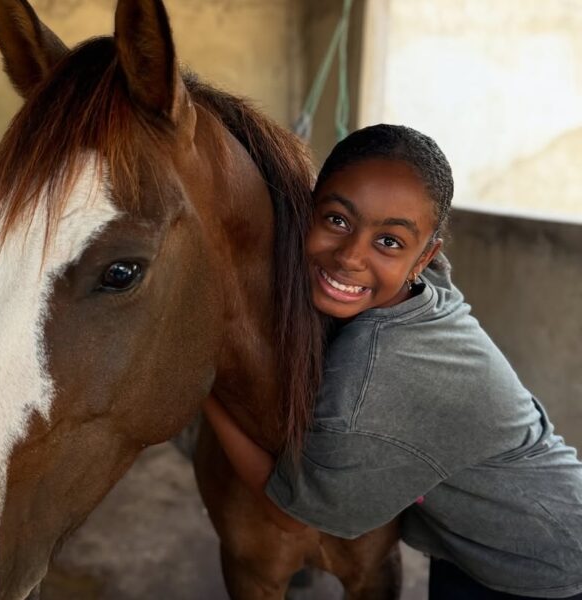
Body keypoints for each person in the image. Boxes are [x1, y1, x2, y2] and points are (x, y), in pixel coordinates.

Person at [203, 124, 582, 599]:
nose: (350, 257)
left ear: (425, 257)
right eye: (338, 220)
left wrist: (209, 386)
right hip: (473, 549)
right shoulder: (422, 291)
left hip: (543, 571)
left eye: (389, 243)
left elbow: (290, 513)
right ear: (307, 213)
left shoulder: (374, 379)